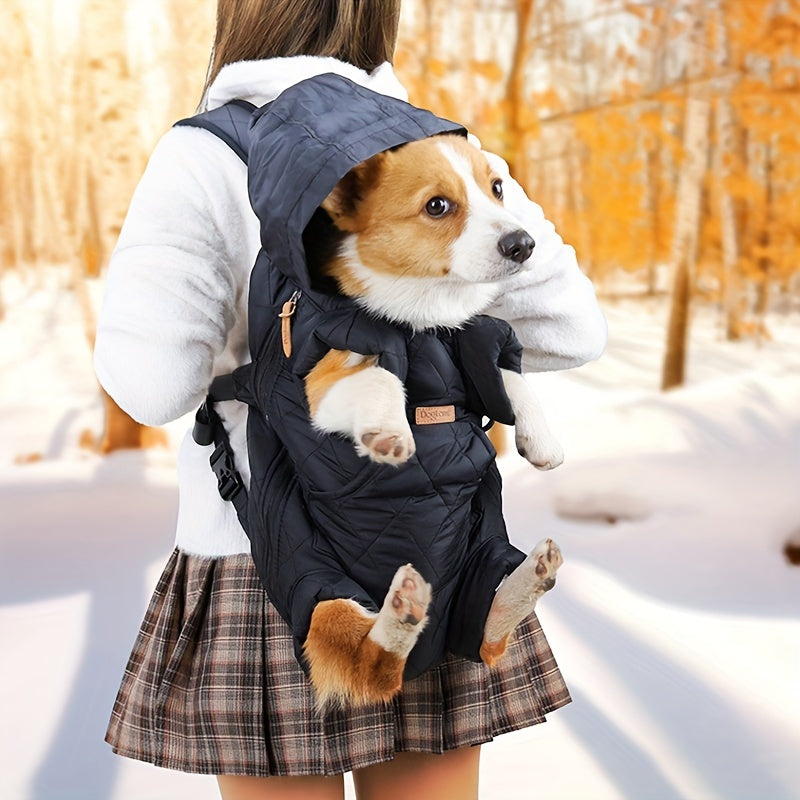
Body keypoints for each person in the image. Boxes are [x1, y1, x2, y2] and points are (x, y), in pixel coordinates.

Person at [94, 1, 607, 798]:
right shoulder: (441, 147)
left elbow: (150, 385)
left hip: (260, 569)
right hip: (437, 545)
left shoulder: (202, 153)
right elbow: (572, 328)